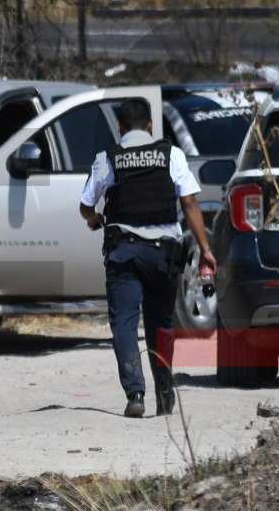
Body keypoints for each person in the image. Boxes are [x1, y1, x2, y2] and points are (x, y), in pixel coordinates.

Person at [79, 98, 218, 418]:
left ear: (120, 128)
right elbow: (190, 204)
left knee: (125, 324)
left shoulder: (107, 158)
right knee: (162, 324)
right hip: (163, 256)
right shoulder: (172, 155)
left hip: (124, 253)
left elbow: (86, 204)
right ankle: (165, 391)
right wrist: (206, 250)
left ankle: (135, 393)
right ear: (151, 126)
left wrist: (93, 219)